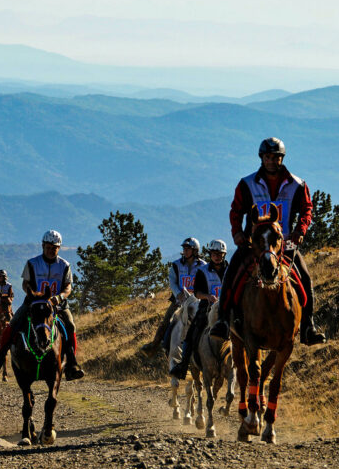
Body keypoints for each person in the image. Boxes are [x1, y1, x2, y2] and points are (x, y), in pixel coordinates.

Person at [210, 137, 326, 346]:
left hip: (285, 243)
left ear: (282, 158)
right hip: (253, 244)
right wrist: (237, 233)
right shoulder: (247, 184)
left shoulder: (297, 185)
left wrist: (300, 230)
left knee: (305, 279)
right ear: (262, 158)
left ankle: (308, 325)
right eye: (268, 157)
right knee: (230, 276)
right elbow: (236, 210)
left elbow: (306, 209)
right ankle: (223, 322)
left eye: (276, 157)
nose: (272, 161)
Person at [0, 230, 84, 381]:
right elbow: (25, 283)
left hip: (57, 305)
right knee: (13, 324)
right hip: (33, 303)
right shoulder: (32, 263)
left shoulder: (64, 265)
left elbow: (68, 287)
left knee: (70, 326)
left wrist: (59, 297)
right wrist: (32, 294)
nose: (51, 250)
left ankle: (72, 364)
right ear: (42, 246)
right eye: (48, 247)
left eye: (54, 248)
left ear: (59, 248)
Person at [170, 239, 228, 379]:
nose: (216, 256)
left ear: (224, 255)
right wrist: (208, 296)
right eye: (214, 254)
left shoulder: (230, 270)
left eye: (219, 254)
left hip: (226, 308)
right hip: (206, 308)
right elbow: (197, 293)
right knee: (191, 334)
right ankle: (183, 364)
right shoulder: (203, 271)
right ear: (210, 254)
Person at [140, 237, 206, 357]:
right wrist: (178, 294)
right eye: (184, 249)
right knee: (166, 321)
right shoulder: (176, 265)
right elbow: (172, 282)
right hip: (179, 301)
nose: (185, 251)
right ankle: (153, 346)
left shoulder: (203, 266)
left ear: (195, 251)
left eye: (188, 249)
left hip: (197, 301)